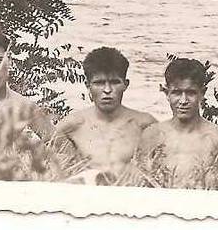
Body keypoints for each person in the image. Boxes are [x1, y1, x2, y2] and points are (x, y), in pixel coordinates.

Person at [51, 47, 156, 181]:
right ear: (88, 85)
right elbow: (54, 167)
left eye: (114, 82)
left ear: (125, 84)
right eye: (99, 83)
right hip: (88, 197)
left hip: (129, 196)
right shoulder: (72, 125)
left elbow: (162, 168)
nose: (107, 90)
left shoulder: (144, 124)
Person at [135, 58, 218, 185]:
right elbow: (139, 186)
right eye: (177, 93)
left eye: (191, 93)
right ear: (167, 93)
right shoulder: (151, 136)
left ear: (202, 93)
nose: (183, 101)